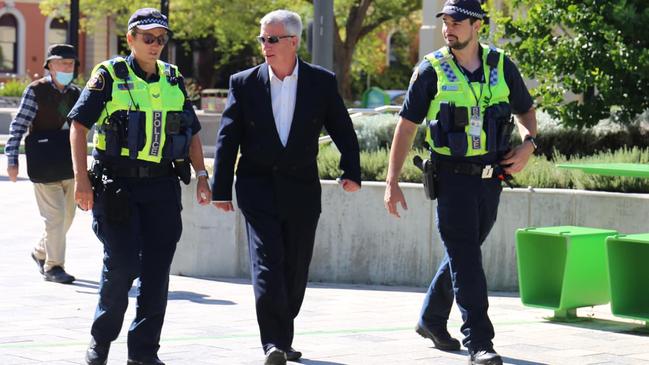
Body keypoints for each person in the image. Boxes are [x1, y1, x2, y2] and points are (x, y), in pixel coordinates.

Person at [384, 1, 538, 364]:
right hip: (451, 178)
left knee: (463, 253)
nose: (448, 28)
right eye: (445, 22)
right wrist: (392, 180)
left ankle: (431, 319)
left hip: (491, 178)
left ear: (477, 25)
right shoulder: (431, 70)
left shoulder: (501, 65)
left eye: (457, 22)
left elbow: (525, 110)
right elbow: (406, 126)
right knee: (467, 258)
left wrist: (529, 144)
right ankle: (480, 342)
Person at [211, 9, 361, 365]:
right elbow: (227, 137)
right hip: (256, 187)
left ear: (293, 42)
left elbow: (342, 129)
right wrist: (220, 189)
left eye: (273, 39)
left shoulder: (320, 82)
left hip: (302, 190)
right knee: (267, 263)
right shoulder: (243, 83)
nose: (266, 45)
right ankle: (273, 343)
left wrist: (351, 170)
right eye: (262, 38)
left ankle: (283, 335)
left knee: (295, 268)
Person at [67, 8, 211, 365]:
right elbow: (78, 126)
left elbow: (191, 130)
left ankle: (144, 352)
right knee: (123, 264)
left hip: (162, 186)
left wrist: (203, 175)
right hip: (118, 185)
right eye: (148, 38)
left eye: (161, 38)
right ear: (130, 39)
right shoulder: (109, 75)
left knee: (157, 271)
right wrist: (81, 181)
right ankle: (100, 342)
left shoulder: (173, 78)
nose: (156, 44)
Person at [5, 44, 81, 284]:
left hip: (69, 164)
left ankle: (40, 252)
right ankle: (53, 266)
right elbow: (18, 125)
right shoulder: (35, 91)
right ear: (49, 66)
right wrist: (12, 158)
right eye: (61, 63)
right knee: (56, 217)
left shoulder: (77, 94)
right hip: (44, 163)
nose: (67, 67)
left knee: (68, 216)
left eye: (70, 64)